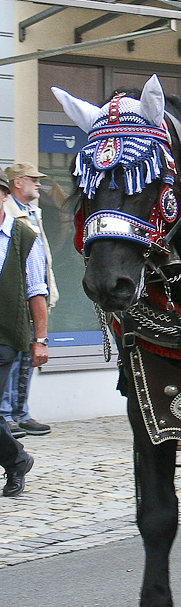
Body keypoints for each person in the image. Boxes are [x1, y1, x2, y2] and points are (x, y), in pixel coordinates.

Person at [0, 172, 49, 496]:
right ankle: (17, 460)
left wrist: (40, 339)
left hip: (5, 337)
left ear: (4, 196)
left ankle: (15, 462)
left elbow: (36, 291)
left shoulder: (23, 236)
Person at [1, 162, 57, 437]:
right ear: (17, 182)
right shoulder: (10, 214)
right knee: (10, 358)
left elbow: (41, 259)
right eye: (33, 179)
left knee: (26, 358)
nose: (38, 184)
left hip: (30, 295)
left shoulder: (32, 212)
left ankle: (20, 413)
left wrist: (49, 291)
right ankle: (7, 415)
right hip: (13, 300)